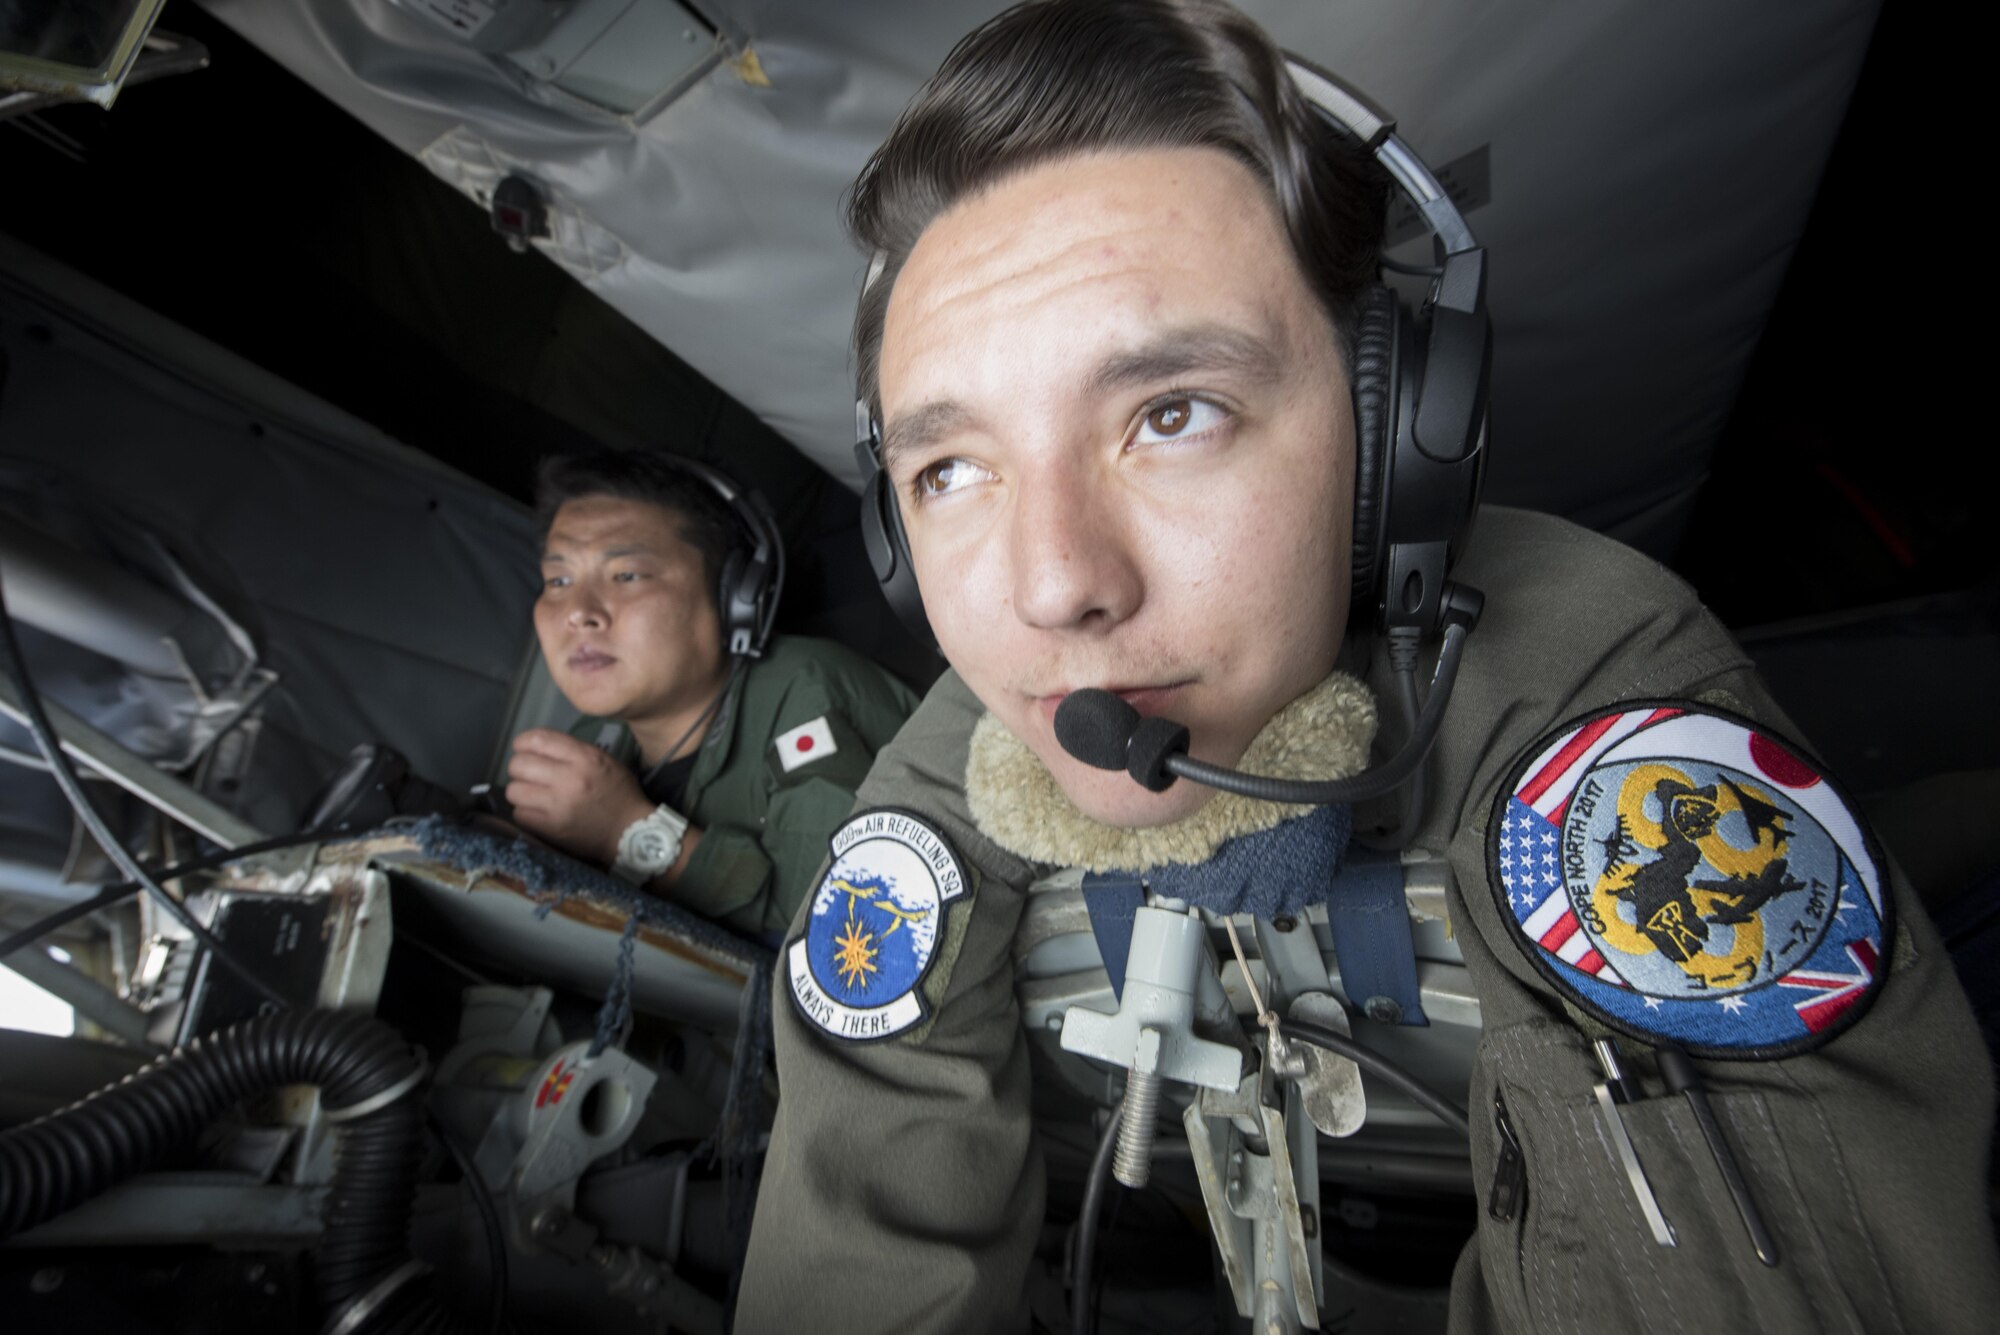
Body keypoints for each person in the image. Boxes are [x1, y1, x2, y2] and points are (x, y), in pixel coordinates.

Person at [735, 2, 2000, 1333]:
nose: (1052, 584)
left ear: (1395, 437)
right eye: (954, 468)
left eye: (1172, 414)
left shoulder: (1602, 690)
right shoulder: (972, 734)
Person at [504, 449, 920, 938]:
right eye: (559, 580)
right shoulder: (595, 739)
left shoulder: (808, 692)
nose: (578, 612)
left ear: (733, 596)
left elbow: (847, 925)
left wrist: (626, 830)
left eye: (626, 575)